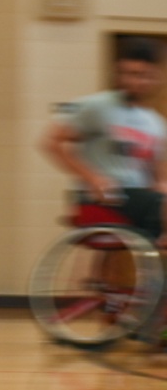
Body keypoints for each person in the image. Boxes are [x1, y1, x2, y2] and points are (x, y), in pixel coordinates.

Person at [41, 36, 167, 246]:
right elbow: (52, 142)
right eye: (130, 74)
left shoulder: (156, 123)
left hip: (141, 199)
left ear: (156, 78)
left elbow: (159, 177)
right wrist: (92, 178)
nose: (136, 82)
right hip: (103, 197)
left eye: (144, 76)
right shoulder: (97, 106)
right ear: (119, 73)